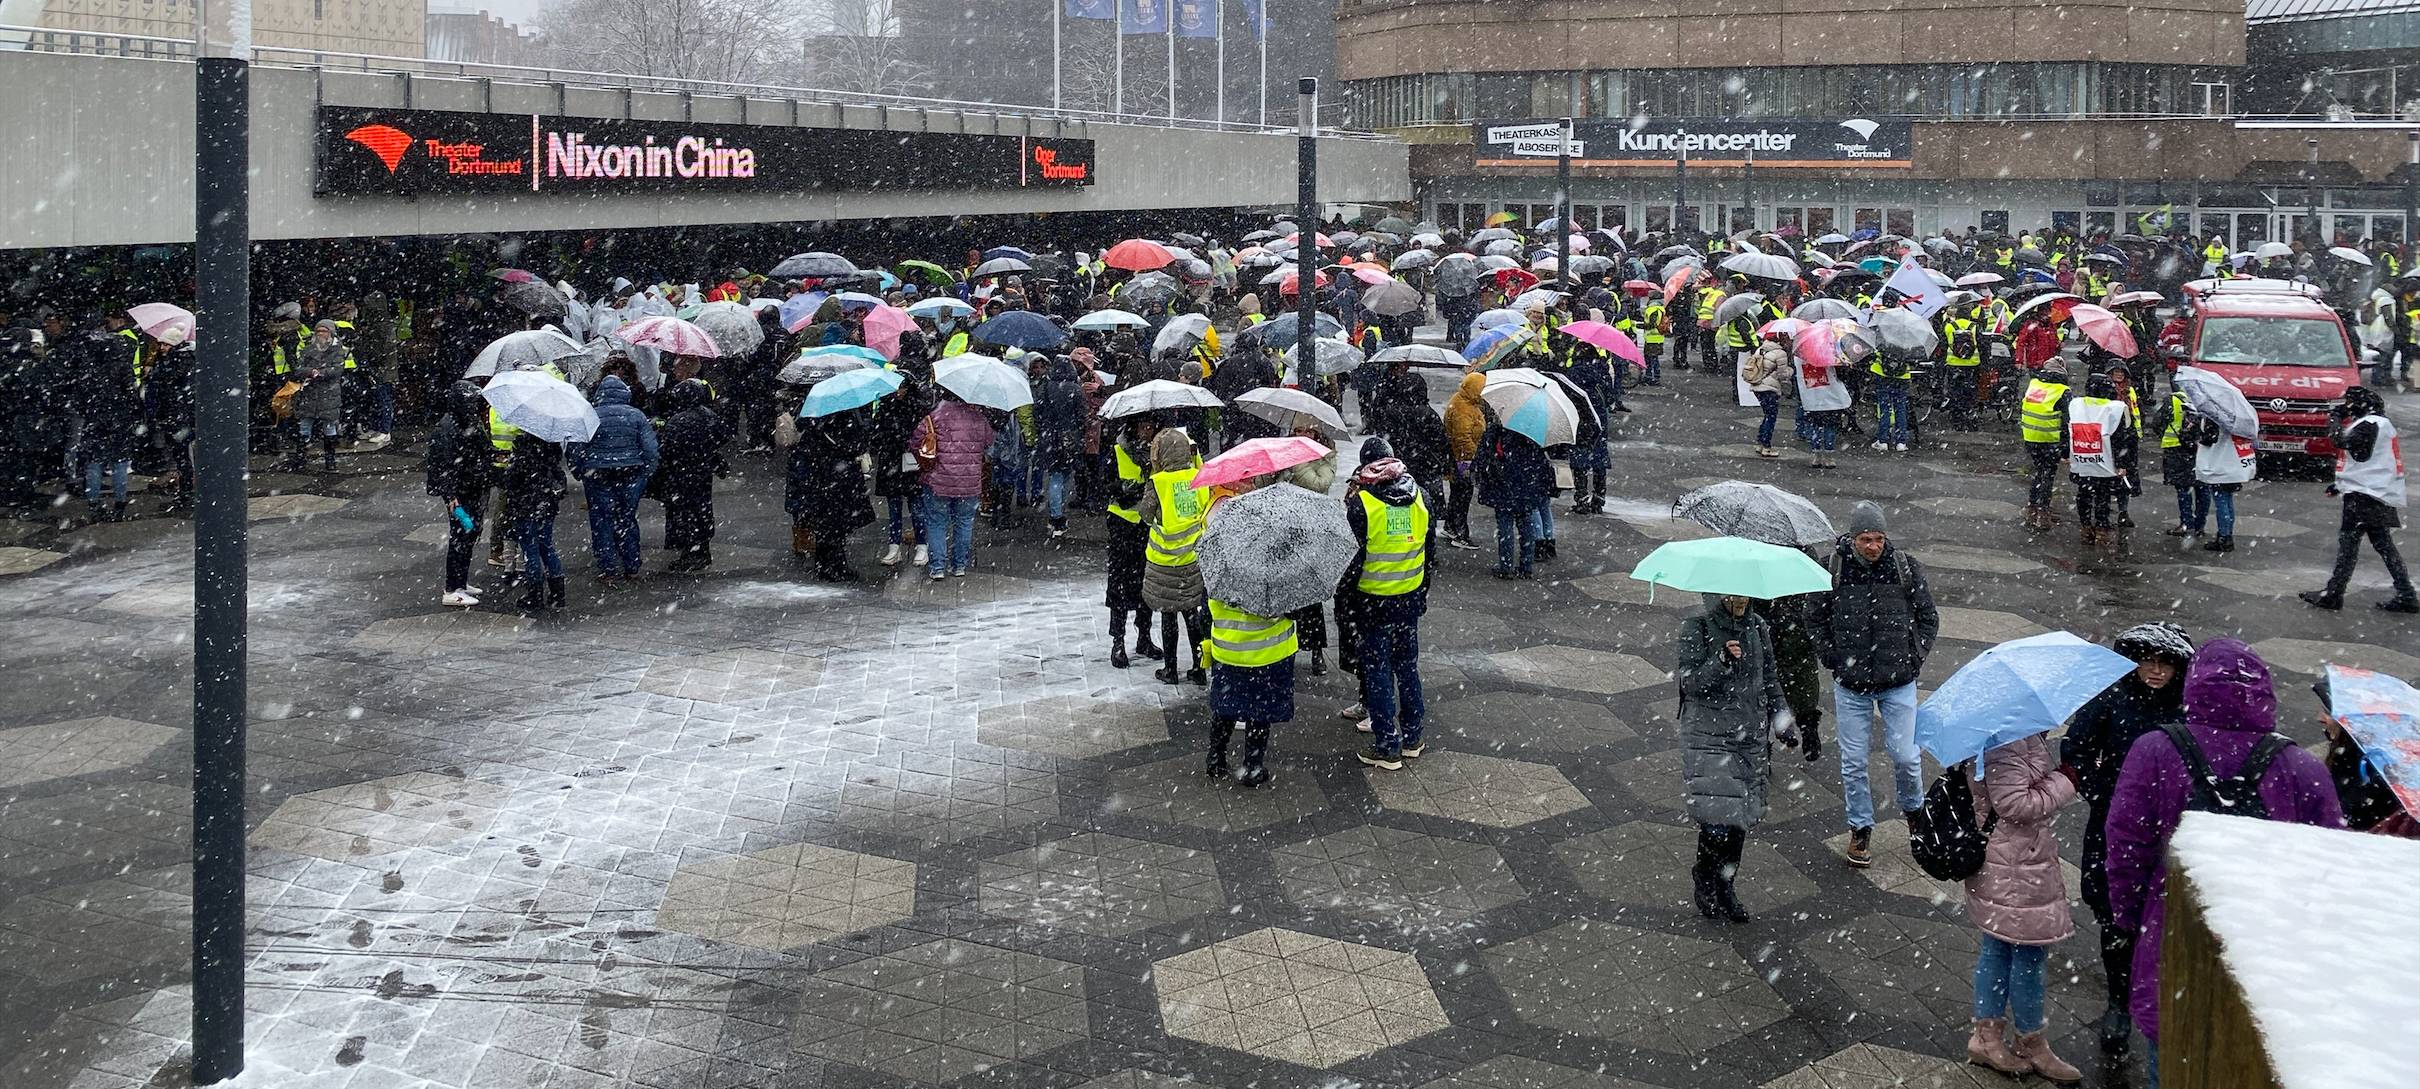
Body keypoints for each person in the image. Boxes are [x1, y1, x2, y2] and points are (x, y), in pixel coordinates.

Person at [2104, 640, 2344, 1084]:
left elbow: (2125, 847)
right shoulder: (2302, 768)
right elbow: (2331, 873)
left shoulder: (2154, 751)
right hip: (2267, 947)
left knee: (2172, 1060)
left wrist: (2134, 917)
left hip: (2175, 927)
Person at [2058, 621, 2193, 1056]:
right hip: (2115, 828)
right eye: (2147, 662)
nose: (2155, 672)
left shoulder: (2188, 708)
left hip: (2174, 832)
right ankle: (2119, 1001)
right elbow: (2075, 747)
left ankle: (2157, 999)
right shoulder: (2114, 698)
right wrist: (2104, 795)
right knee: (2115, 915)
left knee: (2166, 917)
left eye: (2165, 664)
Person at [1812, 501, 1939, 867]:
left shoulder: (1904, 568)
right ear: (1853, 538)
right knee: (1853, 760)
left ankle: (1915, 813)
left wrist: (1914, 655)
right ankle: (1860, 827)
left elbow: (1928, 618)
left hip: (1898, 681)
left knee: (1906, 757)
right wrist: (1832, 657)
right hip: (1851, 685)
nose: (1873, 546)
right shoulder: (1832, 569)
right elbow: (1814, 618)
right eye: (1866, 539)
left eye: (1879, 538)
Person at [1961, 729, 2083, 1085]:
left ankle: (1988, 1037)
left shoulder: (2015, 732)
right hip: (2015, 863)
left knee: (1998, 946)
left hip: (2013, 857)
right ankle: (2030, 1042)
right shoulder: (2006, 738)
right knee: (2027, 953)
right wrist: (2065, 780)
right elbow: (2014, 804)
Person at [1675, 593, 1784, 923]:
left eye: (1742, 594)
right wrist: (1720, 661)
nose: (1737, 600)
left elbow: (1770, 678)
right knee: (1718, 816)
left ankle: (1726, 885)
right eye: (1730, 594)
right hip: (1710, 736)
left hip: (1748, 738)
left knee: (1739, 822)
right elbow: (1690, 684)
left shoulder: (1758, 627)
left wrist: (1783, 719)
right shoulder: (1697, 628)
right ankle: (1705, 878)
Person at [1344, 442, 1433, 771]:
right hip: (1408, 599)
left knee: (1378, 671)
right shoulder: (1420, 497)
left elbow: (1352, 562)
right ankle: (1413, 737)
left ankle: (1386, 745)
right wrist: (1421, 591)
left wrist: (1348, 600)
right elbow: (1429, 551)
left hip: (1373, 603)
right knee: (1408, 668)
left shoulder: (1363, 504)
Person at [2300, 386, 2415, 611]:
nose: (2347, 407)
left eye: (2349, 402)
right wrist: (2341, 484)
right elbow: (2365, 460)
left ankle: (2333, 594)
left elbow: (2342, 443)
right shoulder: (2380, 424)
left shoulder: (2369, 424)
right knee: (2382, 546)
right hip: (2375, 492)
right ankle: (2406, 593)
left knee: (2350, 545)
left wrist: (2333, 419)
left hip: (2365, 496)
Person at [1137, 428, 1210, 686]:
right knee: (1192, 614)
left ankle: (1170, 669)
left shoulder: (1158, 482)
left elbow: (1145, 515)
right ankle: (1199, 668)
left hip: (1165, 561)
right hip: (1193, 558)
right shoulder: (1199, 476)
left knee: (1169, 615)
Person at [569, 376, 659, 584]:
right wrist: (646, 471)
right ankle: (632, 566)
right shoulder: (636, 415)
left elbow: (576, 447)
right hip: (630, 472)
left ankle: (608, 569)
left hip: (598, 474)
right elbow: (650, 448)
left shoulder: (590, 415)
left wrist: (579, 470)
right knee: (627, 519)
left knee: (602, 521)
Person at [424, 380, 496, 607]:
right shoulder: (449, 429)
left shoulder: (464, 423)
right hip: (462, 491)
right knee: (461, 537)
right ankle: (452, 588)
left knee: (468, 534)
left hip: (471, 487)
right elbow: (443, 466)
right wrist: (451, 496)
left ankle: (460, 582)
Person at [788, 396, 873, 582]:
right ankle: (836, 567)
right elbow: (857, 445)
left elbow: (805, 448)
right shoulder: (845, 419)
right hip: (840, 480)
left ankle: (824, 565)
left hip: (820, 480)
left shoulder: (812, 417)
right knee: (837, 526)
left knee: (825, 524)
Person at [1105, 416, 1165, 668]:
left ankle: (1144, 636)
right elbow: (1105, 485)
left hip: (1147, 526)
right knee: (1119, 584)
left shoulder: (1158, 453)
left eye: (1151, 427)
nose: (1147, 431)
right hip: (1122, 524)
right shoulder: (1117, 450)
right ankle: (1118, 640)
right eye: (1143, 426)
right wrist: (1127, 490)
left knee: (1146, 584)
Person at [653, 379, 728, 572]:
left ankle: (691, 553)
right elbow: (722, 437)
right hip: (702, 472)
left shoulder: (678, 420)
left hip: (682, 474)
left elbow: (665, 448)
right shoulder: (709, 416)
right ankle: (703, 549)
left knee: (686, 513)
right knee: (702, 509)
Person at [920, 389, 994, 579]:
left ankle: (937, 567)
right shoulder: (978, 417)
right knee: (964, 522)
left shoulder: (935, 415)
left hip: (938, 480)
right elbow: (988, 441)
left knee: (936, 522)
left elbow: (917, 441)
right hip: (969, 481)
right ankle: (959, 565)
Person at [1475, 417, 1552, 579]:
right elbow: (1541, 464)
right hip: (1526, 488)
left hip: (1503, 487)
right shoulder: (1534, 433)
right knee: (1526, 526)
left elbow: (1483, 457)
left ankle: (1506, 566)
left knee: (1505, 527)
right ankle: (1526, 566)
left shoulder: (1497, 432)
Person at [2065, 372, 2135, 547]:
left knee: (2084, 495)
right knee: (2103, 497)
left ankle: (2086, 526)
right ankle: (2101, 530)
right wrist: (2122, 464)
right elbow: (2121, 439)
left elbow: (2068, 431)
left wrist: (2065, 453)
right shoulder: (2115, 408)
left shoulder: (2077, 405)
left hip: (2082, 461)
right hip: (2104, 463)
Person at [501, 431, 568, 611]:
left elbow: (510, 482)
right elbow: (559, 480)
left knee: (530, 551)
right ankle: (557, 593)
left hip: (525, 508)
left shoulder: (522, 453)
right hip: (545, 507)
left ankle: (534, 594)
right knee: (546, 546)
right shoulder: (552, 451)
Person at [142, 325, 198, 515]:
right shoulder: (174, 360)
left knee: (183, 457)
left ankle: (186, 492)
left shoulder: (179, 362)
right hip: (176, 415)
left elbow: (169, 385)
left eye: (165, 344)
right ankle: (185, 490)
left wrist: (156, 374)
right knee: (181, 456)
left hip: (180, 416)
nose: (161, 348)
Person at [1033, 353, 1088, 543]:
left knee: (1054, 476)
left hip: (1050, 439)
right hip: (1069, 439)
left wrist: (1045, 429)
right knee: (1065, 476)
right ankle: (1058, 515)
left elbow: (1037, 412)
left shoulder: (1046, 387)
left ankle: (1055, 515)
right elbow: (1082, 416)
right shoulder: (1076, 389)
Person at [2188, 405, 2256, 553]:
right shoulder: (2238, 414)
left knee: (2221, 500)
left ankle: (2224, 537)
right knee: (2227, 500)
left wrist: (2198, 429)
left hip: (2220, 464)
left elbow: (2208, 439)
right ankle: (2226, 535)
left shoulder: (2215, 415)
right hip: (2233, 464)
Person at [2017, 358, 2070, 530]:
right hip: (2049, 438)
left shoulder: (2034, 384)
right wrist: (2066, 449)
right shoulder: (2062, 390)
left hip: (2031, 436)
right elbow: (2067, 422)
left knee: (2039, 471)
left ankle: (2032, 505)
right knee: (2047, 474)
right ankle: (2043, 511)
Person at [1442, 372, 1488, 547]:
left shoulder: (1465, 401)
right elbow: (1462, 439)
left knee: (1457, 494)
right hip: (1464, 461)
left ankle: (1451, 526)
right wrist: (1476, 456)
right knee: (1463, 495)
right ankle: (1461, 534)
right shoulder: (1464, 408)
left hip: (1458, 459)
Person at [2156, 390, 2206, 538]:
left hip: (2176, 449)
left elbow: (2158, 423)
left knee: (2183, 488)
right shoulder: (2205, 402)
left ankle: (2186, 523)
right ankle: (2199, 525)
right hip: (2200, 450)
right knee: (2202, 487)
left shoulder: (2172, 400)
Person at [1746, 332, 1789, 458]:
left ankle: (1760, 443)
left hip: (1757, 386)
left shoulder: (1761, 349)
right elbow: (1782, 375)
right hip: (1770, 388)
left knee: (1767, 415)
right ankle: (1766, 446)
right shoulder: (1781, 353)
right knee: (1771, 417)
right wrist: (1791, 371)